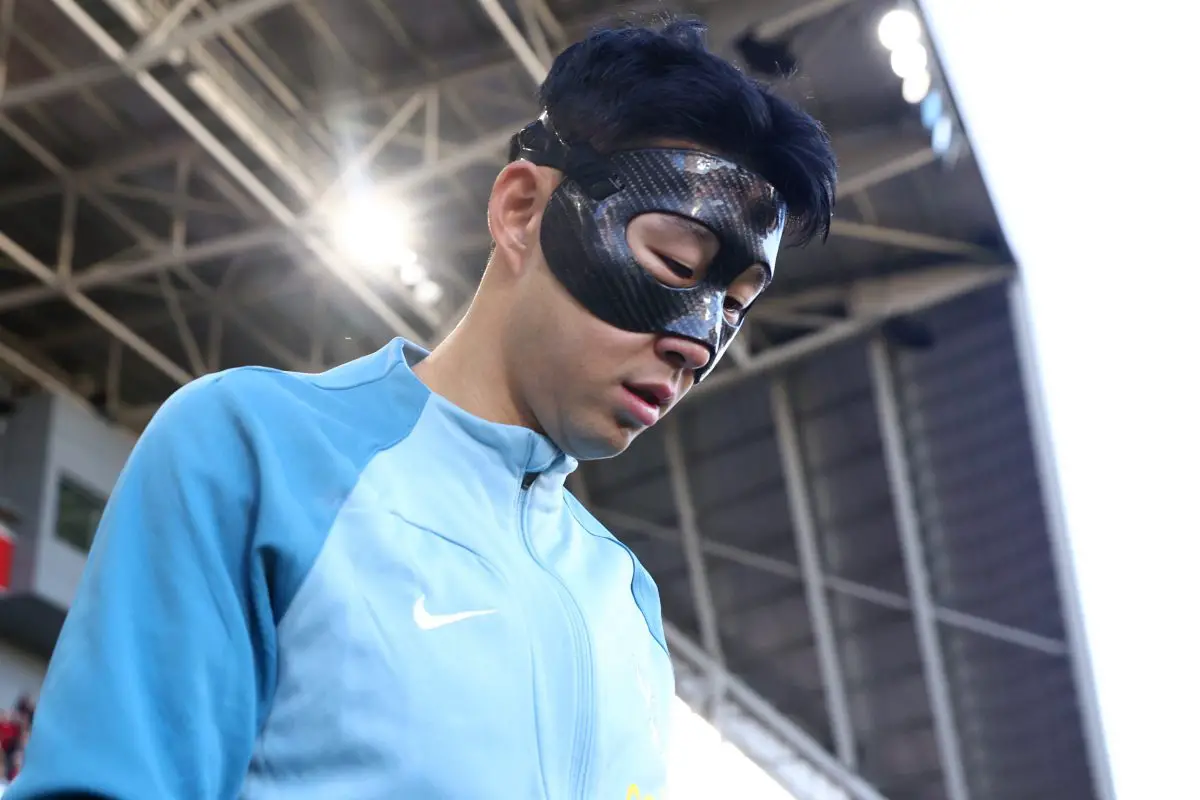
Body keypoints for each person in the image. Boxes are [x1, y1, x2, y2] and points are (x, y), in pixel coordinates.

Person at [9, 18, 835, 800]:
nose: (700, 343)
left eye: (734, 306)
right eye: (675, 262)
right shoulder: (256, 450)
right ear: (521, 210)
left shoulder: (625, 601)